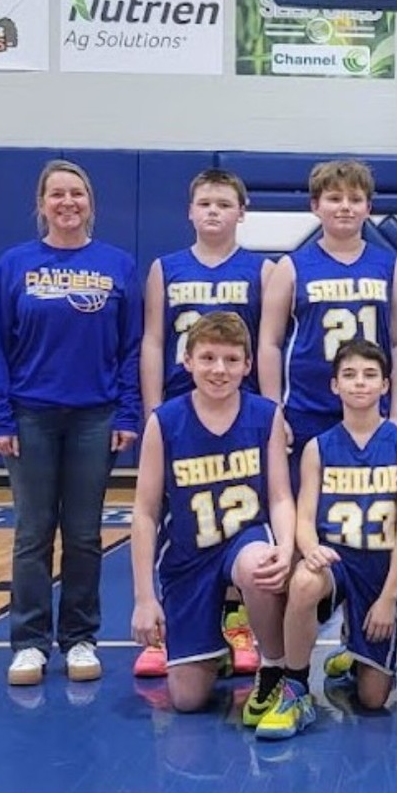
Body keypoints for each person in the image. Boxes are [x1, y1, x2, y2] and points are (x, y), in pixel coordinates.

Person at [0, 159, 142, 686]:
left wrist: (128, 410)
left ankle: (79, 638)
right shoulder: (14, 265)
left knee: (84, 534)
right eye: (57, 194)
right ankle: (29, 643)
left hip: (95, 417)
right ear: (42, 203)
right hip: (30, 415)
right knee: (32, 533)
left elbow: (130, 348)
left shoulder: (117, 264)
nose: (68, 202)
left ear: (90, 203)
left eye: (77, 193)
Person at [133, 167, 274, 680]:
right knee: (185, 518)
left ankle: (238, 623)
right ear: (191, 211)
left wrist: (273, 409)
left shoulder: (261, 270)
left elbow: (267, 344)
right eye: (205, 203)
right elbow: (152, 340)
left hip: (241, 410)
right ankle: (177, 625)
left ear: (242, 211)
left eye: (223, 203)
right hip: (179, 407)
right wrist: (153, 407)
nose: (213, 211)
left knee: (243, 516)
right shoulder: (165, 268)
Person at [247, 339, 397, 739]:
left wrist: (390, 598)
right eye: (349, 375)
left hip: (380, 571)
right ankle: (295, 689)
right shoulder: (318, 448)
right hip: (337, 563)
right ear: (334, 386)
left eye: (369, 375)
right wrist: (309, 550)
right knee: (305, 581)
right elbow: (304, 517)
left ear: (385, 385)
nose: (359, 383)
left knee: (374, 699)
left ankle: (354, 652)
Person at [130, 312, 295, 713]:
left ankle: (274, 668)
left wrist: (286, 549)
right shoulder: (164, 422)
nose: (219, 369)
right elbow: (145, 512)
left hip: (242, 539)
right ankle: (212, 646)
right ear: (187, 361)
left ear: (247, 365)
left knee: (260, 564)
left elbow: (279, 498)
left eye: (230, 359)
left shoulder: (264, 414)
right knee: (187, 701)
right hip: (188, 556)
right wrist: (143, 598)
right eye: (207, 358)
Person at [258, 158, 397, 493]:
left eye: (355, 199)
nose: (345, 207)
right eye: (334, 198)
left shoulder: (389, 265)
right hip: (306, 408)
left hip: (371, 408)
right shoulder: (292, 266)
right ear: (315, 206)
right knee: (304, 509)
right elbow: (269, 343)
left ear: (368, 208)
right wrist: (274, 412)